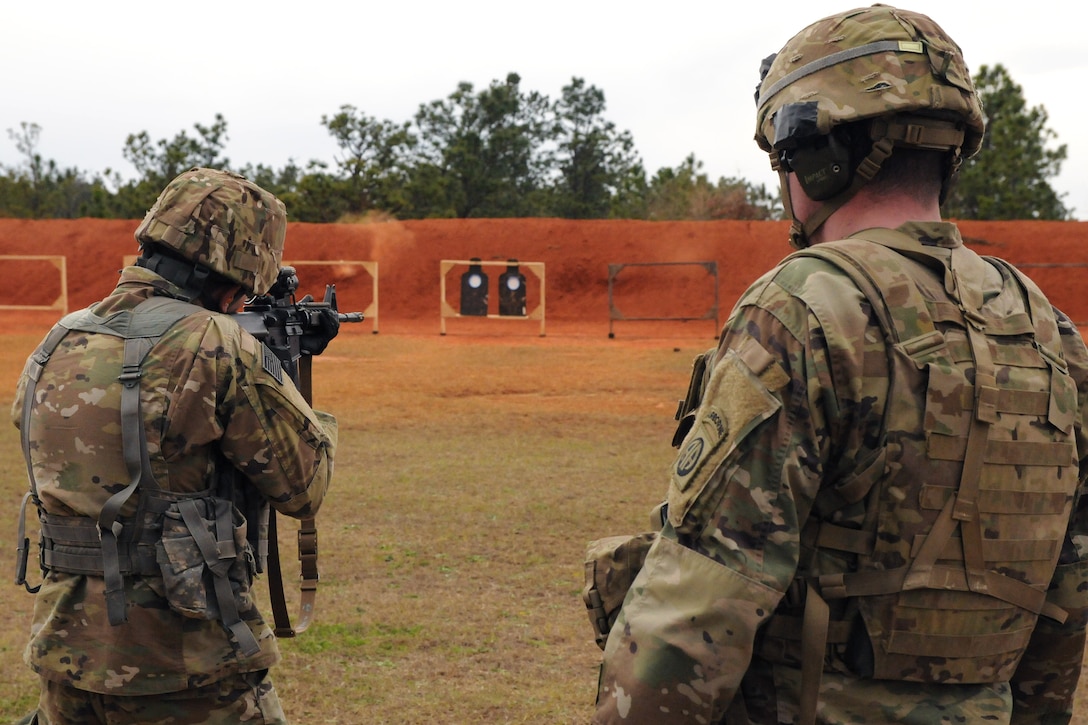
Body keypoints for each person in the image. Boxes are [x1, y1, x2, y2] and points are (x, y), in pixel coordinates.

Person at [588, 5, 1088, 724]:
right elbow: (1064, 597)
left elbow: (694, 607)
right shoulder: (1047, 327)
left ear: (817, 157)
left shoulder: (801, 307)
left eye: (784, 159)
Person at [12, 168, 340, 724]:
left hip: (68, 656)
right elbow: (304, 485)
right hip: (185, 665)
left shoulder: (59, 337)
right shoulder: (217, 344)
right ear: (239, 273)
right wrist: (282, 375)